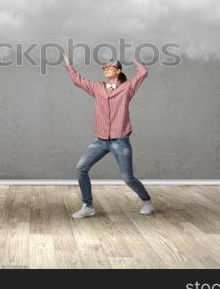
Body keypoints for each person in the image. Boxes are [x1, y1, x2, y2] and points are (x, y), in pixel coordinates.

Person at [59, 48, 153, 219]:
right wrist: (68, 63)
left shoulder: (127, 88)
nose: (106, 68)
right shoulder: (97, 88)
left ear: (118, 70)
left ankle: (147, 200)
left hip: (120, 141)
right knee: (81, 168)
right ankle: (88, 206)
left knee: (128, 178)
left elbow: (143, 72)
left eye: (110, 66)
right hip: (100, 140)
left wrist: (135, 58)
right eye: (104, 67)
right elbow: (77, 80)